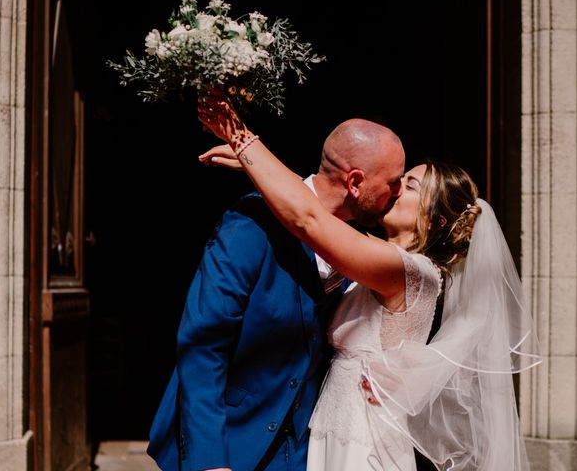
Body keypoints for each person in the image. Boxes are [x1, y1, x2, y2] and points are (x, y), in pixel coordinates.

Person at [197, 90, 542, 470]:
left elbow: (311, 221)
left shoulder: (409, 272)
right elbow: (325, 200)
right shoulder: (376, 256)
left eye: (408, 187)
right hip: (333, 431)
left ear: (436, 220)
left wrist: (244, 140)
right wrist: (262, 168)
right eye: (397, 180)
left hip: (365, 443)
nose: (393, 188)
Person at [146, 113, 405, 470]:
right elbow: (203, 344)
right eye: (392, 182)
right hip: (230, 440)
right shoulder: (251, 224)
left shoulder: (366, 253)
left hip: (305, 450)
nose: (399, 191)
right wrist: (209, 461)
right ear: (356, 182)